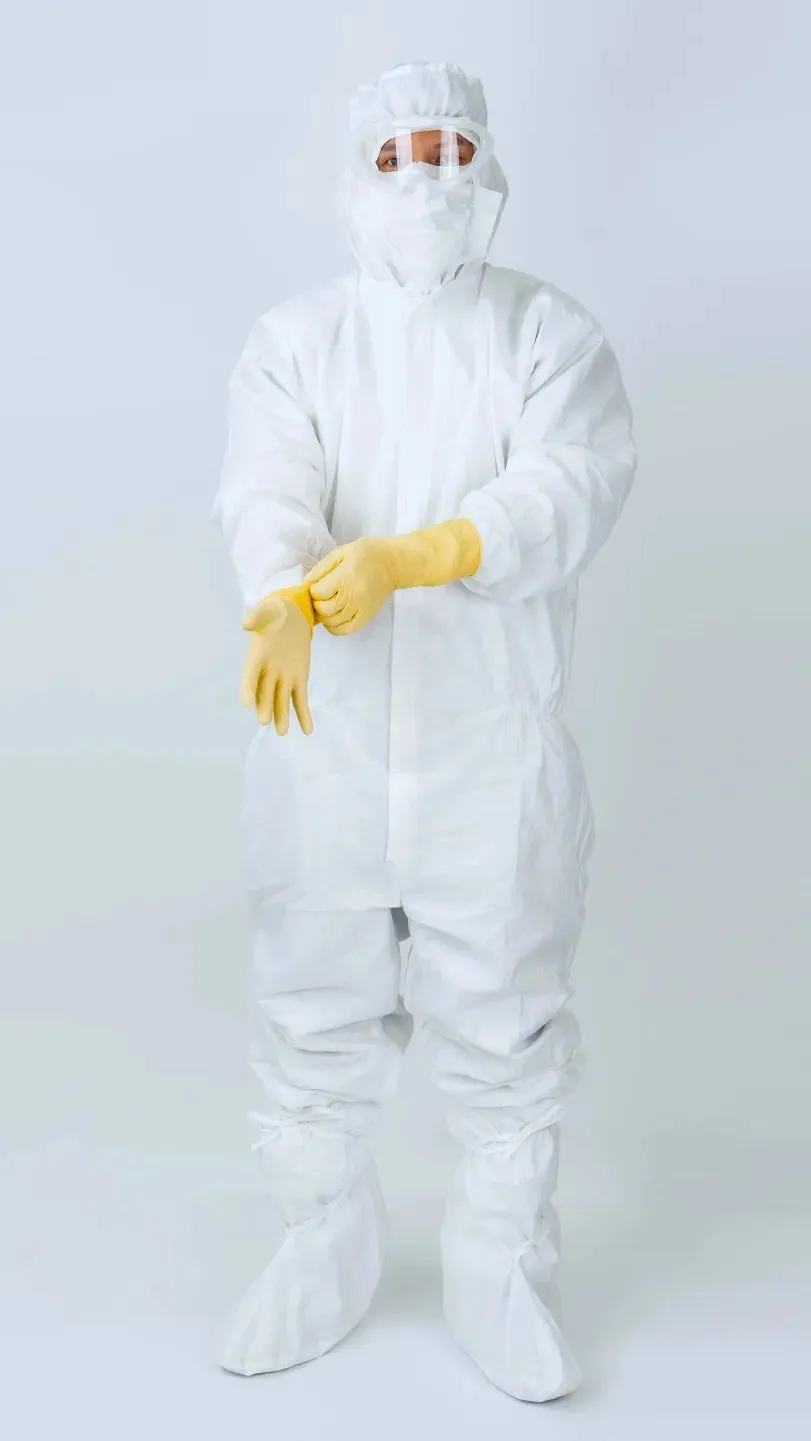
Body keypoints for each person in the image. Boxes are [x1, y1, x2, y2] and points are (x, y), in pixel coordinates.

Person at [214, 59, 636, 1402]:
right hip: (324, 746)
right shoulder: (299, 340)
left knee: (504, 1017)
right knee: (311, 1002)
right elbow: (268, 487)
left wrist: (424, 553)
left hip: (486, 747)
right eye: (399, 152)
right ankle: (320, 1243)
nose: (429, 174)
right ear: (358, 173)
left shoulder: (545, 334)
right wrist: (281, 600)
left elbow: (567, 487)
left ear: (488, 165)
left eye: (452, 148)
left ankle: (498, 1266)